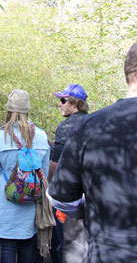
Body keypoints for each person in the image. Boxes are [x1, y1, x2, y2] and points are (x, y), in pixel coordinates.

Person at [48, 37, 137, 262]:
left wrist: (89, 210)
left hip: (108, 251)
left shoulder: (87, 127)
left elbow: (61, 198)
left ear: (127, 72)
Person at [0, 90, 50, 263]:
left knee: (7, 246)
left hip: (5, 198)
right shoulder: (42, 137)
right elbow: (44, 173)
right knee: (27, 245)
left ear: (9, 110)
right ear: (27, 109)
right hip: (31, 200)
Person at [37, 84, 89, 263]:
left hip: (68, 193)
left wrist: (50, 188)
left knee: (64, 242)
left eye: (62, 100)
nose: (59, 104)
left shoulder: (66, 126)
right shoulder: (94, 122)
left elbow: (55, 163)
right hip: (90, 193)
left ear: (75, 104)